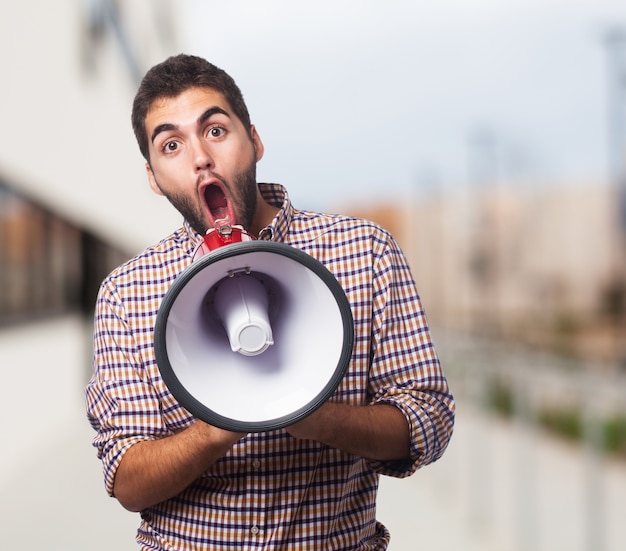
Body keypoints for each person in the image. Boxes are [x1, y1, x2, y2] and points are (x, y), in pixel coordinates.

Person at [86, 53, 455, 550]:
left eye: (215, 130)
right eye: (171, 145)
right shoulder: (126, 295)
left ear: (254, 140)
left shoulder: (364, 253)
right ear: (153, 177)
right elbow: (128, 480)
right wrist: (221, 423)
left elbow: (427, 418)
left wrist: (316, 416)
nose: (200, 158)